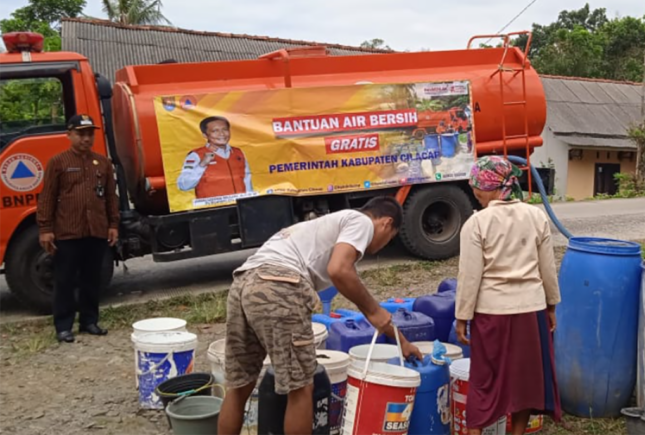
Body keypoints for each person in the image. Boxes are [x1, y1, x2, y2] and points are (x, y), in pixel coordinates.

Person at [218, 196, 423, 435]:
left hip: (243, 282)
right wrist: (374, 311)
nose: (385, 245)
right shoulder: (361, 222)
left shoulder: (327, 229)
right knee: (301, 388)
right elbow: (339, 270)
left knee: (240, 385)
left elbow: (355, 291)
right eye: (390, 238)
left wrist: (402, 341)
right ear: (387, 223)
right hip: (277, 286)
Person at [455, 156, 562, 435]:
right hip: (531, 310)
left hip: (492, 313)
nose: (474, 192)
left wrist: (461, 317)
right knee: (524, 382)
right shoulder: (535, 216)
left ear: (491, 187)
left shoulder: (477, 223)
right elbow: (547, 269)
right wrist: (551, 306)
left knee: (484, 380)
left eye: (477, 186)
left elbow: (469, 276)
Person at [37, 114, 119, 343]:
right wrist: (45, 228)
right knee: (65, 280)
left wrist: (113, 224)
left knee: (92, 279)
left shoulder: (102, 163)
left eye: (89, 134)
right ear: (69, 134)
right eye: (80, 134)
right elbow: (47, 197)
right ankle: (63, 326)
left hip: (96, 231)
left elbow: (111, 197)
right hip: (68, 232)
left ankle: (89, 321)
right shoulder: (58, 162)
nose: (86, 138)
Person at [177, 116, 254, 199]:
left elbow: (247, 181)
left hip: (239, 206)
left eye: (225, 129)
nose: (221, 134)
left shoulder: (238, 153)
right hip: (213, 208)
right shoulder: (196, 155)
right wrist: (202, 165)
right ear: (205, 135)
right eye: (215, 131)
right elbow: (184, 185)